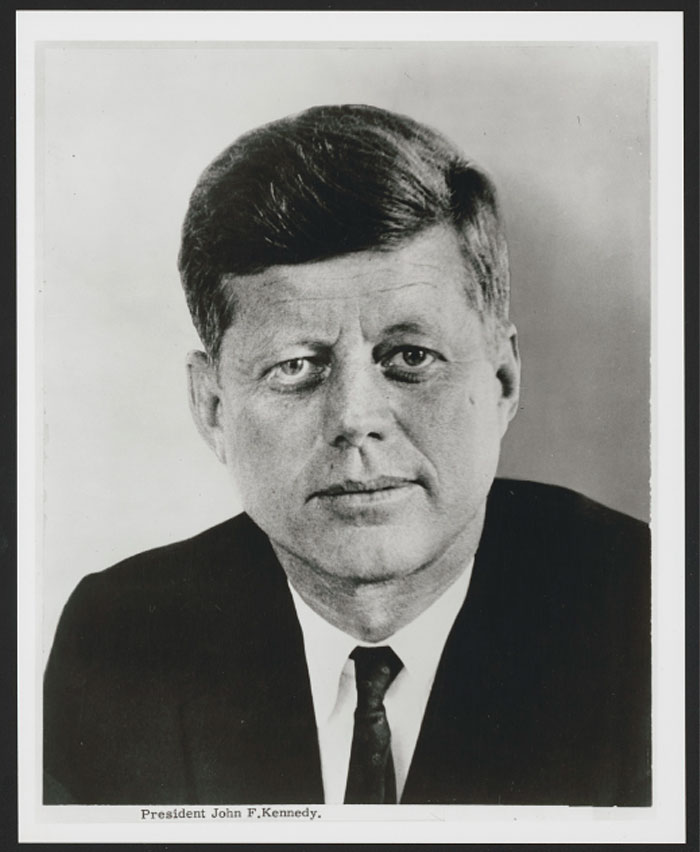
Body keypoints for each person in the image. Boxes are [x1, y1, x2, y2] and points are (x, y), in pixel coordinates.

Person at [43, 104, 651, 807]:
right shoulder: (119, 640)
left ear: (503, 380)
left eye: (411, 357)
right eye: (297, 366)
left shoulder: (645, 619)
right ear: (213, 407)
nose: (356, 419)